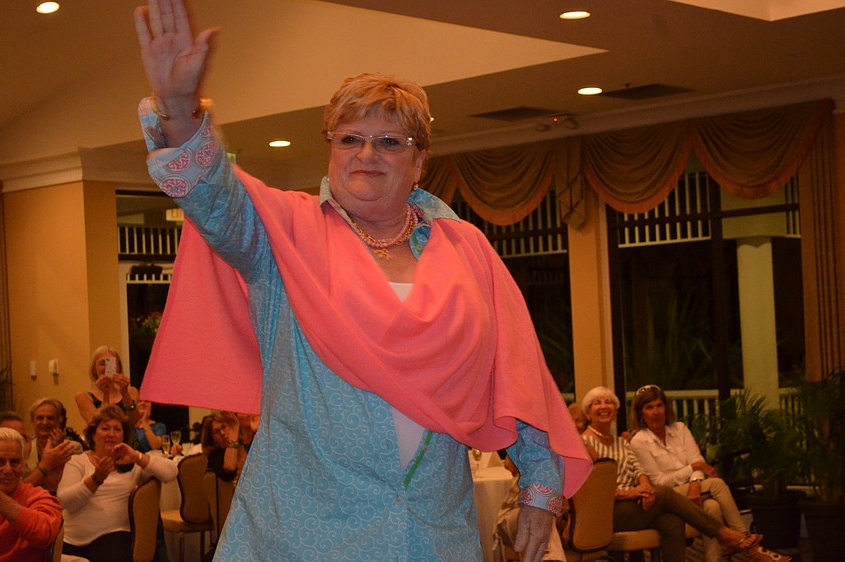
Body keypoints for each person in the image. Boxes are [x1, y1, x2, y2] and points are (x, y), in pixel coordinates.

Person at [132, 1, 591, 561]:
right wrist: (180, 107)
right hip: (304, 532)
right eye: (349, 139)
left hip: (430, 531)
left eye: (390, 141)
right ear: (330, 150)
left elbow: (515, 371)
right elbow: (216, 200)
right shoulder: (285, 235)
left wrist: (542, 484)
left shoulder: (466, 250)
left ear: (419, 162)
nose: (367, 154)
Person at [579, 386, 788, 562]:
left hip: (637, 504)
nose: (604, 406)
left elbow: (639, 471)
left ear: (616, 412)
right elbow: (591, 488)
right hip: (608, 511)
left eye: (609, 402)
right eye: (597, 403)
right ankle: (730, 536)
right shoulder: (583, 444)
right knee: (680, 490)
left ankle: (732, 542)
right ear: (588, 413)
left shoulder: (622, 443)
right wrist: (636, 492)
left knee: (673, 520)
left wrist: (644, 486)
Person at [629, 384, 749, 562]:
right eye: (649, 408)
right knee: (716, 484)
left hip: (693, 490)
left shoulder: (680, 429)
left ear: (666, 408)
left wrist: (694, 484)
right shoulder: (639, 441)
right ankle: (745, 539)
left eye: (659, 406)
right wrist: (693, 469)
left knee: (712, 507)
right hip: (665, 497)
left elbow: (697, 458)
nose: (656, 412)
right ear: (641, 414)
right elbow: (661, 482)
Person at [57, 405, 177, 562]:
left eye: (117, 429)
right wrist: (96, 479)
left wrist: (136, 457)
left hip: (115, 540)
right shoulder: (77, 462)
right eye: (105, 428)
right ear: (93, 435)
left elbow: (171, 472)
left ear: (124, 436)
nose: (111, 434)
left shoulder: (133, 465)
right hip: (73, 542)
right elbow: (66, 501)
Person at [0, 427, 63, 562]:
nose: (8, 470)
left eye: (14, 462)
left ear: (23, 465)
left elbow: (44, 535)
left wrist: (1, 502)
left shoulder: (38, 497)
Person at [26, 398, 83, 493]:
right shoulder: (26, 448)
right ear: (32, 421)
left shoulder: (73, 447)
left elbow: (72, 483)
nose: (45, 422)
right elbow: (23, 486)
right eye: (40, 418)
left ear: (59, 421)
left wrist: (57, 446)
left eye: (50, 418)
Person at [75, 346, 140, 427]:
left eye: (110, 363)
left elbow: (135, 421)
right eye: (102, 364)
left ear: (118, 367)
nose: (106, 368)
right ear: (95, 369)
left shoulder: (131, 391)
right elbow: (98, 426)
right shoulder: (84, 397)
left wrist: (125, 393)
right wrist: (106, 394)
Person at [199, 412, 246, 482]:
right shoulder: (214, 455)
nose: (222, 433)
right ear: (211, 438)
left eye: (223, 427)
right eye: (216, 432)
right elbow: (230, 468)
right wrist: (235, 430)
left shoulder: (242, 445)